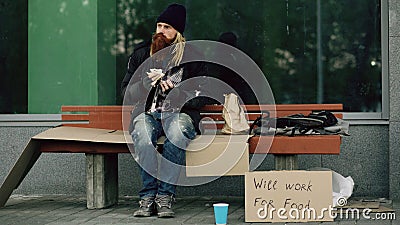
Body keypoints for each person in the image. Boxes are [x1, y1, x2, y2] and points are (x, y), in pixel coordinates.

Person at [120, 4, 208, 218]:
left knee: (177, 133)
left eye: (167, 27)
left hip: (179, 114)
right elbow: (125, 93)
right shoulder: (141, 54)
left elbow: (204, 95)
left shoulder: (193, 57)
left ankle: (165, 196)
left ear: (177, 31)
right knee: (141, 134)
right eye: (158, 25)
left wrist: (177, 92)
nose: (160, 31)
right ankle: (148, 195)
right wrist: (143, 85)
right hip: (148, 113)